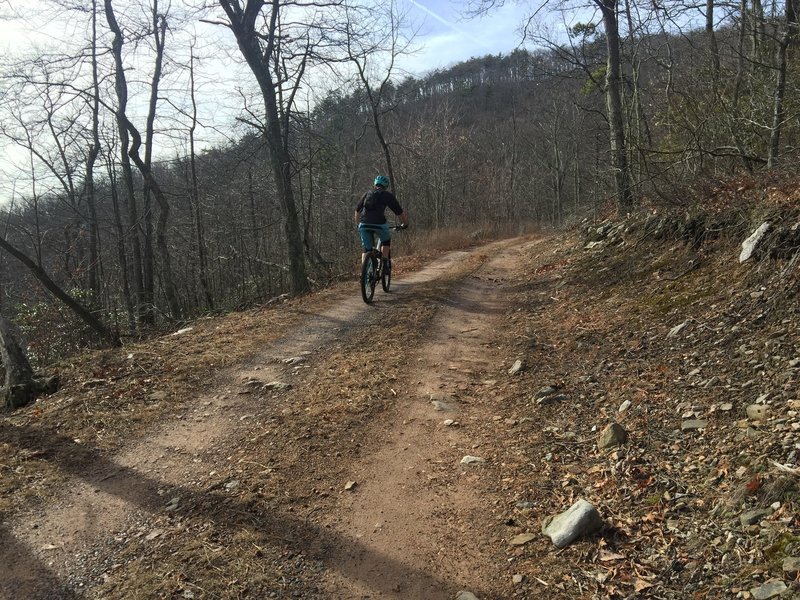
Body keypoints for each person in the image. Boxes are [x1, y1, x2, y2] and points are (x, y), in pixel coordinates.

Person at [354, 175, 408, 271]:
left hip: (363, 224)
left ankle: (364, 271)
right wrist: (404, 224)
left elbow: (357, 211)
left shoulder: (367, 194)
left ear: (375, 184)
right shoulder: (387, 196)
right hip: (380, 225)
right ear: (386, 186)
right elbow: (399, 212)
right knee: (386, 241)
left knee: (366, 249)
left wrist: (358, 224)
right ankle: (385, 262)